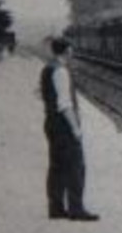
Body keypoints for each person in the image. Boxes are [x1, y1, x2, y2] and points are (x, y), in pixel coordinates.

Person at [41, 37, 98, 222]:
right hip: (63, 126)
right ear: (67, 51)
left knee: (56, 166)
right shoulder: (61, 71)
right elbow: (65, 105)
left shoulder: (47, 69)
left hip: (51, 122)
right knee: (75, 167)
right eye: (71, 49)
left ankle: (56, 208)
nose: (72, 52)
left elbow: (39, 93)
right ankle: (76, 209)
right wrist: (75, 128)